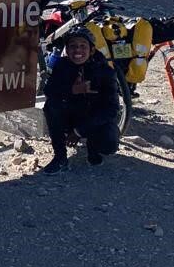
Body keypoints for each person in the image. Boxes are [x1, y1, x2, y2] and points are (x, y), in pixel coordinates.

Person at [40, 26, 120, 174]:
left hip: (93, 118)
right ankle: (60, 157)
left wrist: (78, 131)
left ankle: (93, 148)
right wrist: (73, 90)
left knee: (109, 142)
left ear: (92, 50)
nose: (77, 51)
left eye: (83, 46)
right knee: (51, 106)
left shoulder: (105, 72)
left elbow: (112, 109)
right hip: (70, 115)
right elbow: (49, 91)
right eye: (73, 46)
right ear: (67, 50)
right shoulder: (62, 65)